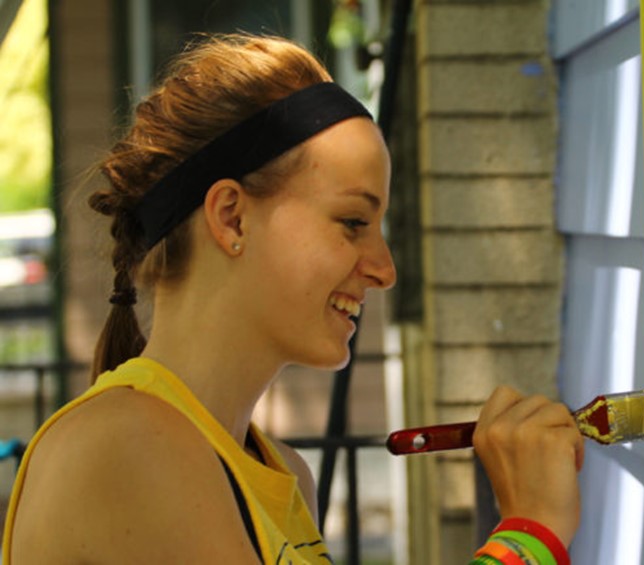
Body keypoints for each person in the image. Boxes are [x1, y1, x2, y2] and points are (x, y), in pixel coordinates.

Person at [2, 34, 584, 564]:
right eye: (353, 221)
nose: (385, 270)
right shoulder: (129, 449)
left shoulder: (279, 471)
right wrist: (530, 532)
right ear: (231, 217)